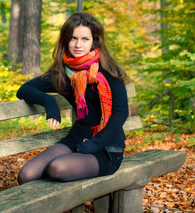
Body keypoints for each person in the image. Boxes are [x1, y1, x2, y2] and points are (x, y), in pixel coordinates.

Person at [16, 12, 129, 185]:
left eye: (85, 39)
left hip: (106, 148)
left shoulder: (108, 69)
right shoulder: (62, 73)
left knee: (57, 168)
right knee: (26, 175)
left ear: (94, 41)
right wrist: (49, 102)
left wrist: (94, 145)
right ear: (65, 40)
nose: (78, 45)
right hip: (75, 139)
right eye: (73, 38)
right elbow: (25, 89)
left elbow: (121, 113)